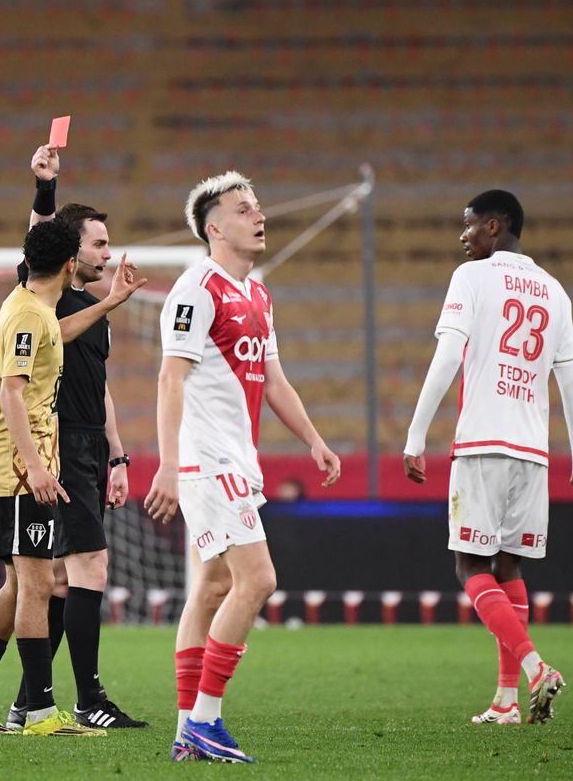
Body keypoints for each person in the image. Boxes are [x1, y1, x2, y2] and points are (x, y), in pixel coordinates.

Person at [145, 171, 341, 763]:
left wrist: (313, 439)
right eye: (244, 209)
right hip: (210, 459)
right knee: (257, 580)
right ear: (215, 227)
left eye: (258, 207)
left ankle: (187, 731)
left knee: (209, 588)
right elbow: (169, 378)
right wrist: (169, 464)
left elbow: (274, 380)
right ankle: (206, 720)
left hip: (237, 458)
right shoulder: (195, 289)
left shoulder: (257, 295)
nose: (259, 216)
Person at [402, 190, 573, 725]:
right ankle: (506, 700)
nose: (462, 236)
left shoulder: (471, 278)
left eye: (468, 226)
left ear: (494, 226)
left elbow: (448, 354)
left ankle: (537, 668)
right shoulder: (555, 292)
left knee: (469, 565)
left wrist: (416, 434)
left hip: (482, 444)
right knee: (509, 566)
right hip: (532, 453)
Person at [0, 219, 104, 737]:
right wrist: (34, 467)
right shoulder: (28, 315)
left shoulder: (34, 305)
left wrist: (109, 303)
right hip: (18, 467)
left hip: (21, 462)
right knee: (39, 582)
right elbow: (12, 391)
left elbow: (61, 334)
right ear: (70, 265)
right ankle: (40, 714)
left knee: (19, 583)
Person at [5, 145, 150, 730]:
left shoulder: (96, 311)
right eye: (97, 244)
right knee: (89, 569)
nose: (107, 253)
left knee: (67, 578)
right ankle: (88, 701)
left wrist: (119, 455)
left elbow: (102, 388)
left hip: (91, 445)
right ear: (70, 253)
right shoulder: (43, 298)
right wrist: (45, 188)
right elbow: (36, 242)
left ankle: (28, 700)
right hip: (57, 444)